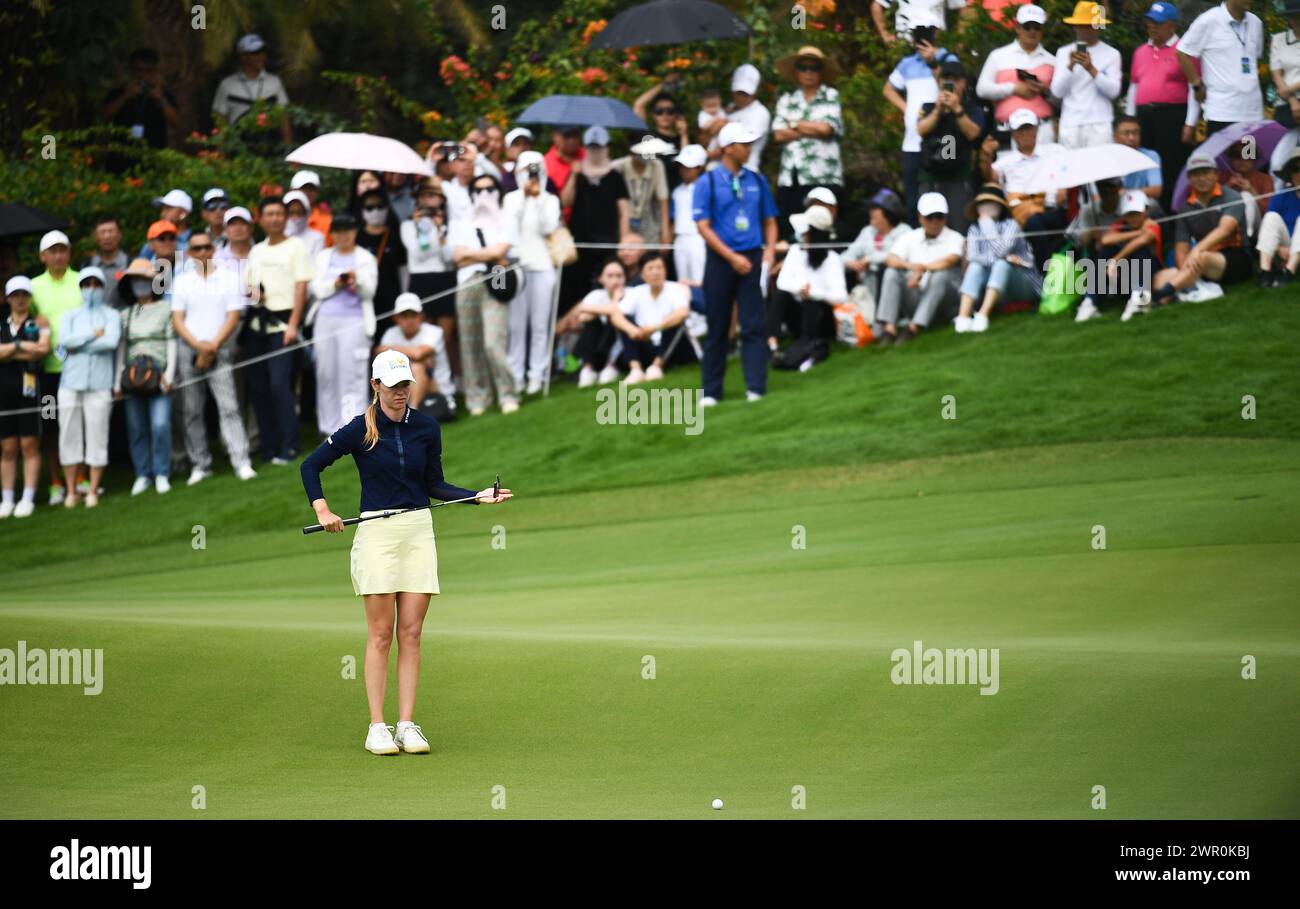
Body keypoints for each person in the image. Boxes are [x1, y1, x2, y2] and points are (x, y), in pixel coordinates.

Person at [299, 349, 512, 756]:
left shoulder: (427, 427)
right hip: (377, 533)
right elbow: (310, 466)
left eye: (405, 385)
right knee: (381, 634)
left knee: (411, 633)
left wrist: (476, 497)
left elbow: (436, 484)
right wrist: (322, 509)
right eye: (393, 386)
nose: (401, 393)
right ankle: (377, 726)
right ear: (375, 386)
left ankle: (407, 725)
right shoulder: (359, 429)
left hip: (418, 531)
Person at [694, 122, 779, 405]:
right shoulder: (707, 181)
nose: (749, 148)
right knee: (717, 326)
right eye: (744, 144)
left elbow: (769, 220)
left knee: (753, 325)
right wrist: (731, 257)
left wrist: (768, 253)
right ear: (728, 148)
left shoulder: (757, 180)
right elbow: (703, 226)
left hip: (752, 258)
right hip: (721, 261)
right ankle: (711, 392)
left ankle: (756, 387)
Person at [170, 229, 257, 485]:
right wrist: (199, 346)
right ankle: (200, 465)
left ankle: (241, 461)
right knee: (192, 410)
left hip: (220, 348)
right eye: (197, 249)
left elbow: (233, 316)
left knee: (229, 407)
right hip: (191, 350)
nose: (203, 252)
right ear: (189, 253)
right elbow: (178, 320)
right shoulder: (182, 280)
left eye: (207, 247)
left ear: (214, 250)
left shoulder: (230, 278)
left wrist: (212, 347)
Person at [1129, 155, 1253, 316]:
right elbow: (1181, 247)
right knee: (1160, 276)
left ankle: (1161, 295)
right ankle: (1154, 304)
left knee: (1202, 258)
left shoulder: (1231, 197)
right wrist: (1184, 268)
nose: (1201, 178)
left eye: (1206, 172)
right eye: (1196, 174)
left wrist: (1196, 251)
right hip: (1200, 263)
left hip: (1237, 258)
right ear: (1189, 178)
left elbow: (1225, 230)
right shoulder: (1185, 208)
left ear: (1216, 174)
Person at [243, 195, 314, 465]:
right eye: (269, 214)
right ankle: (269, 446)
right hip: (257, 323)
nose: (274, 218)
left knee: (279, 384)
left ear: (285, 218)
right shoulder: (256, 250)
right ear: (260, 219)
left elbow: (301, 288)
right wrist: (252, 294)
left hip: (284, 323)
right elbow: (250, 288)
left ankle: (290, 445)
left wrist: (294, 325)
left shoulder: (296, 246)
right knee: (259, 386)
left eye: (278, 214)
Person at [450, 173, 520, 415]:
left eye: (490, 189)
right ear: (471, 195)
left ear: (498, 192)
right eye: (478, 190)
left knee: (493, 342)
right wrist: (488, 254)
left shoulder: (507, 219)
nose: (484, 195)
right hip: (467, 281)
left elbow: (502, 251)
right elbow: (458, 256)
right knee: (470, 343)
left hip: (497, 277)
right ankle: (478, 397)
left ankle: (508, 393)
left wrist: (474, 254)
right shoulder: (461, 222)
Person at [306, 213, 378, 437]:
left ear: (355, 232)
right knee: (326, 373)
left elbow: (369, 292)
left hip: (354, 320)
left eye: (347, 230)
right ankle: (328, 428)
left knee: (352, 373)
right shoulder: (323, 257)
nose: (343, 235)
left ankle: (353, 426)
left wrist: (355, 280)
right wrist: (336, 283)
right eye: (338, 231)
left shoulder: (365, 257)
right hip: (325, 320)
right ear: (332, 234)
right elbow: (316, 288)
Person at [55, 268, 120, 508]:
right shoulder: (70, 315)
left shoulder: (112, 315)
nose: (91, 288)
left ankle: (92, 489)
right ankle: (71, 490)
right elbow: (65, 342)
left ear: (102, 287)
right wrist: (93, 335)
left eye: (96, 284)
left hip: (100, 383)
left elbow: (111, 342)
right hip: (71, 382)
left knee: (98, 433)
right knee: (68, 434)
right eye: (86, 284)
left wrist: (80, 343)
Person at [885, 15, 959, 223]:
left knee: (945, 195)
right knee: (914, 199)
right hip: (913, 142)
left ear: (936, 32)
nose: (922, 37)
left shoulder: (948, 59)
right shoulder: (907, 63)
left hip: (945, 138)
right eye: (917, 32)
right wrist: (906, 108)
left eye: (926, 31)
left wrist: (934, 62)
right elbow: (888, 89)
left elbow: (952, 88)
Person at [1127, 3, 1199, 213]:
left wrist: (1190, 123)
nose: (1152, 27)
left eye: (1157, 23)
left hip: (1172, 116)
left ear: (1171, 26)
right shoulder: (1141, 51)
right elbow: (1134, 86)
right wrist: (1130, 121)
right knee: (1144, 164)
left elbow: (1193, 87)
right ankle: (1142, 213)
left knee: (1171, 166)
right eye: (1150, 22)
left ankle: (1172, 213)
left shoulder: (1184, 51)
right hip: (1144, 116)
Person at [501, 150, 562, 394]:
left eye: (535, 170)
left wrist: (536, 199)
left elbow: (549, 226)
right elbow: (509, 227)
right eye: (526, 170)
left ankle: (537, 374)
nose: (531, 175)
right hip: (518, 266)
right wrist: (525, 198)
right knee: (516, 326)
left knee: (540, 324)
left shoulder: (550, 199)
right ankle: (516, 375)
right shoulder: (510, 199)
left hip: (543, 265)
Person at [115, 257, 177, 494]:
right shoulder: (126, 314)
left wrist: (170, 375)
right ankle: (143, 474)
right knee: (136, 427)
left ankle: (162, 472)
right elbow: (122, 347)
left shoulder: (165, 308)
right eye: (136, 281)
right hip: (132, 375)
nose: (140, 284)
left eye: (144, 280)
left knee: (160, 424)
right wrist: (117, 379)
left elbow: (171, 341)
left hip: (158, 372)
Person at [30, 230, 80, 506]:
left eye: (63, 250)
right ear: (43, 256)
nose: (59, 255)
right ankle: (56, 481)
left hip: (79, 369)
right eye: (53, 251)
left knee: (78, 424)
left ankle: (81, 477)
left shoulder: (81, 281)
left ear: (69, 253)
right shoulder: (34, 287)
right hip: (48, 371)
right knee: (50, 427)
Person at [876, 193, 964, 345]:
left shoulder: (955, 237)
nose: (935, 221)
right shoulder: (910, 237)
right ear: (920, 217)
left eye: (939, 216)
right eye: (930, 217)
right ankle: (889, 329)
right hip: (916, 296)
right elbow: (890, 259)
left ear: (946, 217)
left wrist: (921, 270)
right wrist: (911, 267)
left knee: (940, 276)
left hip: (946, 304)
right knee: (891, 273)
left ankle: (913, 328)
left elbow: (950, 260)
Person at [559, 126, 630, 316]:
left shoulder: (615, 176)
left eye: (599, 147)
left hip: (608, 243)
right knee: (573, 291)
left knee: (605, 290)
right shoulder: (578, 173)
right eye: (591, 147)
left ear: (607, 147)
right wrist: (574, 174)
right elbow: (566, 202)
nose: (595, 151)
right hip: (579, 244)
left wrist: (623, 241)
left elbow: (624, 212)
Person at [772, 46, 845, 225]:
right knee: (792, 226)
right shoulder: (787, 99)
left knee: (822, 225)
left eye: (814, 68)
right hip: (792, 175)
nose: (808, 72)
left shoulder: (831, 96)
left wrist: (795, 124)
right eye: (803, 67)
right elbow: (779, 135)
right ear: (796, 72)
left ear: (821, 72)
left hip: (824, 175)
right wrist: (813, 128)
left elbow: (827, 130)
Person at [988, 108, 1069, 269]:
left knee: (1040, 225)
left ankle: (1045, 271)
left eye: (1029, 128)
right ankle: (1046, 271)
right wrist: (985, 155)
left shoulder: (1055, 151)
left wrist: (1064, 187)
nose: (1025, 133)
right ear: (1013, 133)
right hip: (1023, 214)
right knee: (1033, 223)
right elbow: (990, 178)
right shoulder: (1004, 161)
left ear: (1037, 129)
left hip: (1054, 209)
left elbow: (1069, 168)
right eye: (1020, 130)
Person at [955, 184, 1041, 333]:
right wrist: (1006, 259)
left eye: (990, 203)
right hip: (992, 283)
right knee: (976, 267)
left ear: (1000, 206)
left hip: (1022, 282)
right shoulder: (974, 229)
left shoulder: (1011, 225)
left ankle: (983, 315)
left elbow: (1001, 251)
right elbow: (973, 257)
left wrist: (988, 225)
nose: (986, 208)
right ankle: (963, 317)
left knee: (1001, 264)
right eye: (982, 204)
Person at [0, 276, 49, 518]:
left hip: (29, 390)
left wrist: (11, 351)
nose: (20, 299)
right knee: (8, 447)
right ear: (8, 298)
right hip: (4, 390)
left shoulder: (37, 322)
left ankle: (27, 498)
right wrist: (22, 348)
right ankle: (7, 499)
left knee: (29, 444)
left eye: (24, 295)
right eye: (15, 295)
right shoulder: (1, 325)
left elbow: (42, 350)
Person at [917, 58, 984, 234]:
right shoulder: (929, 106)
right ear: (938, 82)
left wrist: (957, 109)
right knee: (931, 226)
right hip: (931, 175)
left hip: (959, 176)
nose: (950, 83)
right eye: (946, 79)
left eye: (956, 79)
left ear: (964, 82)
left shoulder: (972, 108)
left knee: (959, 226)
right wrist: (938, 110)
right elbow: (921, 129)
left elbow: (974, 133)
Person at [1177, 0, 1265, 135]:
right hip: (1221, 112)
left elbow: (1254, 59)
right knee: (1221, 156)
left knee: (1248, 156)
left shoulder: (1256, 23)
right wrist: (1196, 83)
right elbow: (1182, 52)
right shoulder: (1208, 20)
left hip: (1252, 113)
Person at [400, 180, 458, 380]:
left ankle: (450, 379)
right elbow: (417, 253)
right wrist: (421, 229)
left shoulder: (449, 224)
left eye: (432, 195)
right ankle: (427, 380)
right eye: (423, 196)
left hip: (444, 277)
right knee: (423, 334)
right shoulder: (408, 225)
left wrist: (440, 230)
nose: (428, 200)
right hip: (420, 280)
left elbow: (449, 257)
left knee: (446, 335)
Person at [607, 252, 694, 383]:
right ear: (642, 274)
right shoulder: (636, 291)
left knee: (675, 322)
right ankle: (635, 370)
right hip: (645, 342)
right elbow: (615, 315)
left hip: (674, 349)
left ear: (665, 271)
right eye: (650, 268)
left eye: (659, 268)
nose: (655, 272)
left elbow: (683, 313)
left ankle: (657, 366)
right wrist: (632, 330)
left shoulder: (675, 289)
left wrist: (654, 328)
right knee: (624, 321)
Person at [775, 206, 849, 359]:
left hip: (822, 320)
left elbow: (841, 295)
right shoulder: (796, 251)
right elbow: (782, 282)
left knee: (812, 301)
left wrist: (814, 292)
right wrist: (801, 288)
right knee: (780, 295)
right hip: (796, 312)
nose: (803, 235)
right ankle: (772, 344)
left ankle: (808, 343)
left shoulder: (833, 259)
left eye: (807, 231)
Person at [976, 4, 1057, 143]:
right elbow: (982, 89)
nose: (1032, 31)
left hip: (1042, 129)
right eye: (1027, 26)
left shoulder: (1052, 60)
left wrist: (1045, 91)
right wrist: (1014, 89)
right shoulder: (998, 56)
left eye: (1037, 27)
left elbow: (1060, 99)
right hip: (1008, 129)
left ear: (1042, 30)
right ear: (1017, 27)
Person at [1050, 2, 1122, 150]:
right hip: (1070, 122)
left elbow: (1114, 92)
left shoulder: (1112, 54)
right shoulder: (1063, 52)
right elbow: (1057, 91)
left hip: (1100, 122)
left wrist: (1091, 69)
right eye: (1080, 25)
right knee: (1071, 170)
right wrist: (1070, 66)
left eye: (1089, 25)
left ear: (1098, 26)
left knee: (1099, 171)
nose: (1084, 29)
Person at [1082, 190, 1163, 320]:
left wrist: (1115, 260)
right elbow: (1105, 240)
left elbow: (1143, 240)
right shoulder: (1122, 225)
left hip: (1150, 275)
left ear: (1146, 210)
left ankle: (1139, 298)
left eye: (1136, 213)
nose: (1133, 218)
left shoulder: (1152, 224)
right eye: (1129, 214)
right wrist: (1137, 233)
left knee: (1140, 251)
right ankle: (1090, 301)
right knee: (1105, 253)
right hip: (1124, 277)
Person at [211, 33, 292, 146]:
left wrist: (288, 150)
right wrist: (221, 155)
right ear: (242, 56)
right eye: (255, 53)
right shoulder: (227, 85)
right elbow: (221, 122)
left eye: (263, 52)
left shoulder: (274, 82)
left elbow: (284, 119)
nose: (261, 56)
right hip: (239, 150)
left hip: (270, 147)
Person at [376, 293, 454, 407]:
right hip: (405, 388)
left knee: (417, 367)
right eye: (404, 316)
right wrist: (411, 353)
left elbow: (418, 354)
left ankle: (412, 412)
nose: (410, 321)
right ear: (396, 318)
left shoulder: (434, 331)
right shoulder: (390, 333)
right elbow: (378, 354)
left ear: (422, 316)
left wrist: (389, 350)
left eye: (413, 315)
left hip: (438, 391)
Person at [353, 187, 406, 341]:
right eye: (369, 207)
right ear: (362, 210)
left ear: (387, 208)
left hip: (391, 299)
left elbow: (403, 269)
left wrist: (403, 296)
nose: (375, 211)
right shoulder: (357, 237)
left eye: (380, 207)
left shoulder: (395, 235)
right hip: (364, 299)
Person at [844, 189, 911, 310]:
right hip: (869, 292)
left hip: (901, 292)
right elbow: (844, 256)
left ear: (888, 212)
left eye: (875, 208)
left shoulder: (905, 231)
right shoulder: (867, 231)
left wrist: (870, 260)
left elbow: (896, 259)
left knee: (884, 270)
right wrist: (851, 263)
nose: (870, 212)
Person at [103, 47, 179, 152]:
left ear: (155, 71)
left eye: (148, 71)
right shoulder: (119, 91)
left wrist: (161, 100)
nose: (142, 75)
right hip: (122, 152)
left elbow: (176, 123)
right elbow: (105, 117)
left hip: (154, 152)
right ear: (131, 70)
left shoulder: (162, 92)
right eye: (138, 70)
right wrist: (125, 96)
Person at [573, 258, 630, 387]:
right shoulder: (596, 294)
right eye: (610, 276)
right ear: (600, 279)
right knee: (592, 323)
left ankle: (612, 365)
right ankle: (588, 368)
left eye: (619, 276)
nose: (615, 280)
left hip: (621, 347)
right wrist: (608, 308)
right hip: (598, 345)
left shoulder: (630, 293)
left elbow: (615, 312)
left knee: (613, 319)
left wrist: (612, 303)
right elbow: (582, 317)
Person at [614, 137, 673, 251]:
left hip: (648, 220)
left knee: (651, 255)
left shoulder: (657, 165)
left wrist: (665, 231)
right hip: (624, 221)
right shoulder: (618, 166)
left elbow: (663, 198)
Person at [631, 84, 691, 190]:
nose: (665, 115)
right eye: (659, 111)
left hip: (674, 192)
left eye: (670, 111)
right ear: (653, 114)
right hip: (650, 193)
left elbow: (688, 162)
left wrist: (684, 134)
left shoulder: (680, 139)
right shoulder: (647, 135)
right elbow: (639, 104)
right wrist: (664, 84)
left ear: (676, 115)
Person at [1268, 1, 1300, 192]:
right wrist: (1293, 99)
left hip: (1288, 94)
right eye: (1293, 16)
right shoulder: (1278, 39)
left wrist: (1291, 90)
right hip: (1286, 108)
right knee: (1277, 164)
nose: (1296, 20)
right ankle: (1277, 208)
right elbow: (1275, 71)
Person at [1256, 148, 1300, 286]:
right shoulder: (1281, 196)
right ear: (1290, 175)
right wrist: (1279, 249)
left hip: (1294, 250)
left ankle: (1288, 272)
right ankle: (1265, 272)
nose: (1299, 173)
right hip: (1285, 248)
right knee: (1270, 217)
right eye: (1295, 169)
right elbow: (1268, 229)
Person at [715, 65, 771, 171]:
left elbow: (743, 141)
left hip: (747, 169)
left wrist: (722, 124)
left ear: (755, 92)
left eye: (745, 93)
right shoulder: (729, 109)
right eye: (738, 92)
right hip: (721, 171)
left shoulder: (760, 113)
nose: (740, 97)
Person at [671, 145, 709, 287]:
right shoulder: (677, 191)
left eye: (688, 167)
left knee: (699, 280)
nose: (683, 170)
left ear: (699, 167)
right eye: (681, 166)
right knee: (682, 281)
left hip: (699, 239)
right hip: (680, 239)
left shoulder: (707, 187)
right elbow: (673, 219)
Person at [1113, 116, 1164, 210]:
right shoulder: (1105, 158)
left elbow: (1156, 190)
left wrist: (1125, 193)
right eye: (1126, 133)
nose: (1131, 138)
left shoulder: (1151, 156)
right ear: (1115, 136)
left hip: (1139, 201)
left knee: (1153, 205)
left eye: (1135, 133)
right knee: (1088, 209)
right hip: (1114, 204)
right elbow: (1097, 197)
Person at [873, 0, 968, 45]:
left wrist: (960, 41)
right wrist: (885, 35)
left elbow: (962, 7)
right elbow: (877, 5)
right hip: (905, 44)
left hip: (937, 44)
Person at [83, 215, 129, 305]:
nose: (107, 236)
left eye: (111, 231)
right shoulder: (87, 265)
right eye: (102, 232)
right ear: (96, 237)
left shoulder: (130, 264)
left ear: (119, 235)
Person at [544, 127, 585, 223]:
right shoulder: (545, 163)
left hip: (589, 222)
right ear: (554, 137)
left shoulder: (588, 156)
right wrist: (573, 175)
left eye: (575, 136)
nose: (571, 141)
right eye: (566, 136)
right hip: (559, 222)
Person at [138, 190, 192, 259]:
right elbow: (139, 266)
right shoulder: (153, 241)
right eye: (162, 209)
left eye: (168, 208)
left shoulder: (198, 240)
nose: (163, 214)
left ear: (184, 213)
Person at [284, 190, 326, 258]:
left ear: (307, 214)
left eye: (299, 213)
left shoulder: (317, 238)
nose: (295, 217)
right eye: (291, 213)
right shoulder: (275, 238)